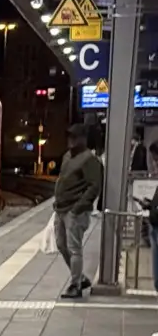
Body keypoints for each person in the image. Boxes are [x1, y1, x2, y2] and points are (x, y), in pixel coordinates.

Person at [54, 123, 103, 299]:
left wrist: (77, 208)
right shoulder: (67, 156)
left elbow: (94, 186)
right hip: (61, 209)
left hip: (74, 211)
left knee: (74, 248)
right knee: (61, 244)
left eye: (74, 137)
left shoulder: (89, 159)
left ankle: (75, 285)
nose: (71, 140)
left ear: (83, 139)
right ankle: (80, 278)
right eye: (69, 136)